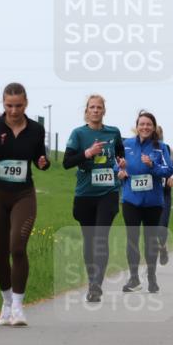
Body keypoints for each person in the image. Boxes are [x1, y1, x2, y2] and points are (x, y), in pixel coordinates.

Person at [0, 82, 49, 326]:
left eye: (19, 105)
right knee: (0, 252)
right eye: (9, 105)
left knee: (17, 248)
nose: (14, 110)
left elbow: (38, 157)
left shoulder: (36, 129)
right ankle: (5, 301)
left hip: (23, 194)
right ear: (3, 104)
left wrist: (43, 162)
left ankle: (17, 306)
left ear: (26, 104)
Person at [63, 94, 125, 303]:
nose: (96, 110)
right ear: (86, 111)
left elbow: (120, 155)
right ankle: (92, 280)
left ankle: (97, 284)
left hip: (108, 192)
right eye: (92, 107)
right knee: (89, 240)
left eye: (99, 107)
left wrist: (122, 165)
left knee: (101, 237)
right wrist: (87, 153)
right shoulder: (78, 134)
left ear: (104, 111)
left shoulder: (113, 132)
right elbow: (67, 162)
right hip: (85, 194)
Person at [118, 112, 173, 293]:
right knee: (132, 238)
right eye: (142, 124)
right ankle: (134, 278)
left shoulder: (161, 147)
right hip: (130, 199)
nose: (145, 127)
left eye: (149, 124)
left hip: (153, 201)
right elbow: (115, 163)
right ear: (137, 126)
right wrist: (119, 171)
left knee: (150, 240)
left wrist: (152, 166)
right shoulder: (126, 144)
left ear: (154, 127)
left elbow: (168, 170)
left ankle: (151, 276)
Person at [155, 125, 173, 266]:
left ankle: (162, 247)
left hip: (164, 193)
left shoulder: (166, 148)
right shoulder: (138, 148)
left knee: (162, 225)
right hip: (147, 192)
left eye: (158, 134)